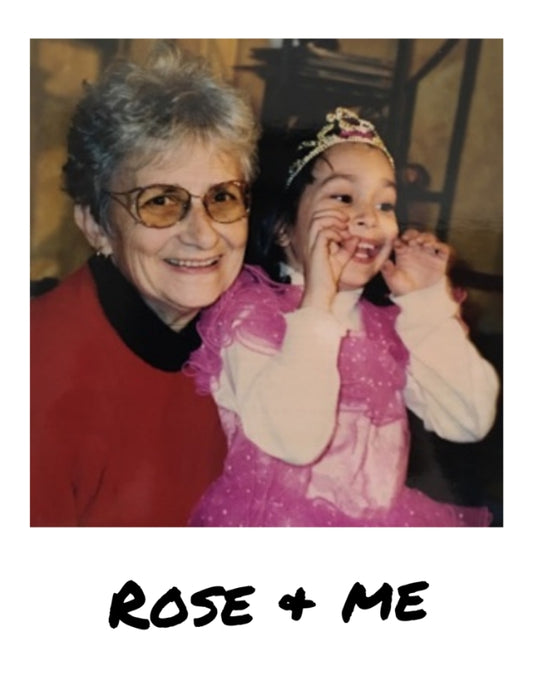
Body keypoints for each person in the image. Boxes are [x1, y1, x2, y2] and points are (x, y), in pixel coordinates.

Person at [185, 107, 499, 527]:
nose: (369, 217)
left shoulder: (389, 328)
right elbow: (294, 439)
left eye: (385, 203)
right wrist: (317, 302)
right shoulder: (253, 318)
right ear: (282, 227)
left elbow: (469, 420)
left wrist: (425, 303)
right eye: (344, 198)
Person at [30, 43, 259, 526]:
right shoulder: (35, 375)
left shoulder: (236, 340)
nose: (202, 234)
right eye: (160, 202)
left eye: (221, 197)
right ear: (95, 224)